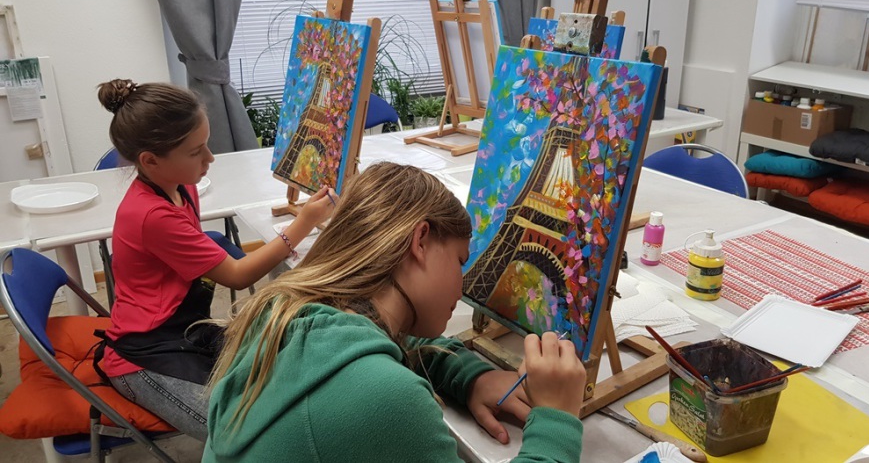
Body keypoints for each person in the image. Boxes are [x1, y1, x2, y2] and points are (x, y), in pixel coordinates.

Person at [204, 162, 586, 462]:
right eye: (459, 261)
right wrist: (557, 418)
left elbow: (391, 340)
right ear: (420, 241)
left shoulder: (284, 311)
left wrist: (470, 376)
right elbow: (378, 380)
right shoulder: (385, 398)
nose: (462, 285)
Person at [95, 79, 335, 441]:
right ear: (150, 160)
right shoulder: (151, 215)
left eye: (206, 145)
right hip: (142, 354)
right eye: (196, 152)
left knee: (292, 370)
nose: (210, 159)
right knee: (242, 434)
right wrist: (304, 223)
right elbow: (237, 275)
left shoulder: (181, 186)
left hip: (186, 331)